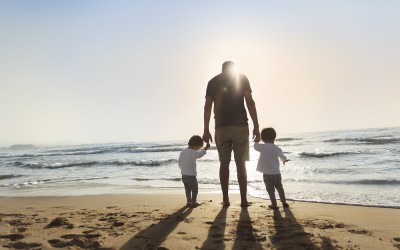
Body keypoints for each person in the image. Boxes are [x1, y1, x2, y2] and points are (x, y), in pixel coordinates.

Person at [203, 61, 260, 207]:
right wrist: (256, 126)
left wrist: (206, 129)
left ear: (222, 69)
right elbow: (250, 102)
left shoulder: (212, 82)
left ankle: (226, 199)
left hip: (221, 127)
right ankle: (243, 200)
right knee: (241, 164)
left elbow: (207, 107)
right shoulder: (241, 78)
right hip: (240, 125)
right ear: (233, 69)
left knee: (224, 164)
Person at [254, 127, 290, 209]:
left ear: (262, 139)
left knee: (270, 190)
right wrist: (284, 160)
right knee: (280, 188)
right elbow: (282, 156)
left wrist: (257, 140)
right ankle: (284, 202)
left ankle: (274, 204)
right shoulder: (276, 148)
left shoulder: (262, 147)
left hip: (267, 173)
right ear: (274, 137)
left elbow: (255, 146)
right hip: (276, 173)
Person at [179, 135, 210, 208]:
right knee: (195, 189)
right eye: (198, 147)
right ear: (195, 145)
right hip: (191, 175)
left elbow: (179, 162)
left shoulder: (183, 151)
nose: (198, 149)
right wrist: (205, 149)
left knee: (187, 189)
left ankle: (188, 201)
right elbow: (200, 154)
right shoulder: (193, 152)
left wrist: (182, 169)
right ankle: (193, 202)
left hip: (184, 175)